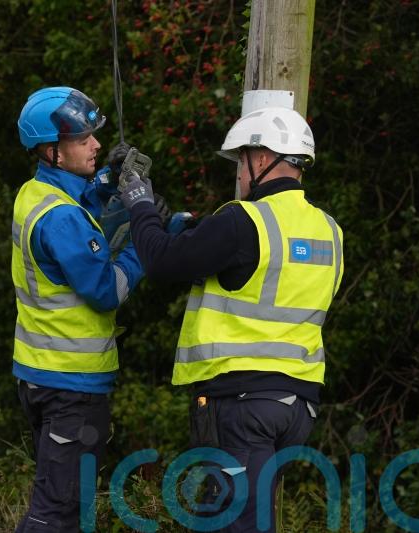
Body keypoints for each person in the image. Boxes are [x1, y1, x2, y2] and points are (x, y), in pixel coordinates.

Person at [120, 106, 344, 532]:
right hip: (298, 406)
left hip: (244, 403)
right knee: (249, 517)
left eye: (241, 161)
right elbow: (252, 259)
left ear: (262, 159)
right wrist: (189, 226)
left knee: (232, 522)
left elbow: (164, 262)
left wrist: (140, 207)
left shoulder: (244, 221)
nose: (240, 173)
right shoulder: (328, 230)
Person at [11, 86, 147, 532]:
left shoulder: (38, 193)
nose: (95, 144)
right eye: (83, 139)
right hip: (71, 384)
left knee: (67, 505)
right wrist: (145, 247)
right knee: (57, 512)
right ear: (52, 151)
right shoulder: (61, 218)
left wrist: (107, 178)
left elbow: (83, 200)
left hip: (43, 375)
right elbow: (105, 290)